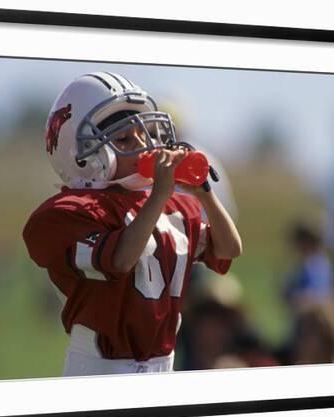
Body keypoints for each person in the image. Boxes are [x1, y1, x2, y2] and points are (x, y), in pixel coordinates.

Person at [22, 71, 242, 376]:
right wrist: (159, 196)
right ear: (84, 156)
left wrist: (204, 195)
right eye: (126, 139)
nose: (145, 145)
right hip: (100, 372)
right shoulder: (68, 212)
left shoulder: (175, 207)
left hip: (164, 367)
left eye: (145, 133)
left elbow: (230, 249)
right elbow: (121, 258)